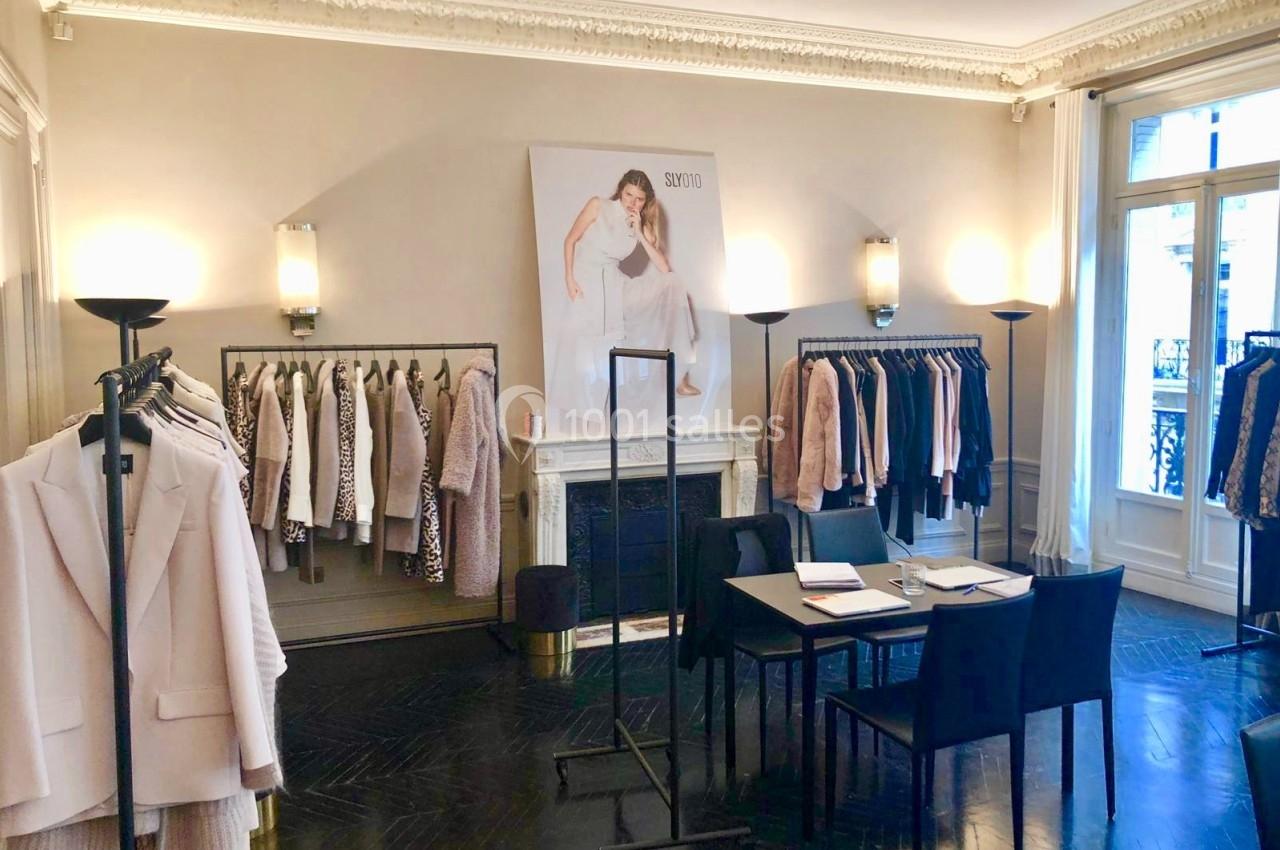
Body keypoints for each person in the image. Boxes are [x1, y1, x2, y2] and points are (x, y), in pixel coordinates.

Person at [554, 169, 700, 421]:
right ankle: (588, 409)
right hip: (586, 280)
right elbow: (570, 240)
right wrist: (569, 278)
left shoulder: (641, 222)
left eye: (639, 198)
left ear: (646, 200)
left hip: (614, 283)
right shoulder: (597, 205)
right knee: (592, 343)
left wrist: (640, 234)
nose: (632, 202)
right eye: (628, 194)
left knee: (672, 283)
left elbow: (664, 268)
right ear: (621, 190)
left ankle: (678, 375)